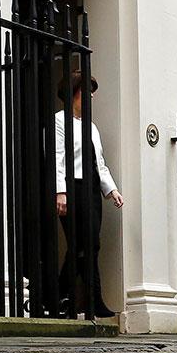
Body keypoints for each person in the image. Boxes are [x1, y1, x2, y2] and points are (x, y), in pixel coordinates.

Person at [55, 71, 124, 319]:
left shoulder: (91, 127)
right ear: (73, 94)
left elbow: (99, 163)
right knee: (79, 244)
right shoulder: (59, 121)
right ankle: (60, 296)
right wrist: (60, 191)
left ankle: (84, 299)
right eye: (87, 91)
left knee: (91, 245)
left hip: (93, 189)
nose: (92, 96)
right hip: (72, 187)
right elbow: (57, 158)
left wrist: (111, 189)